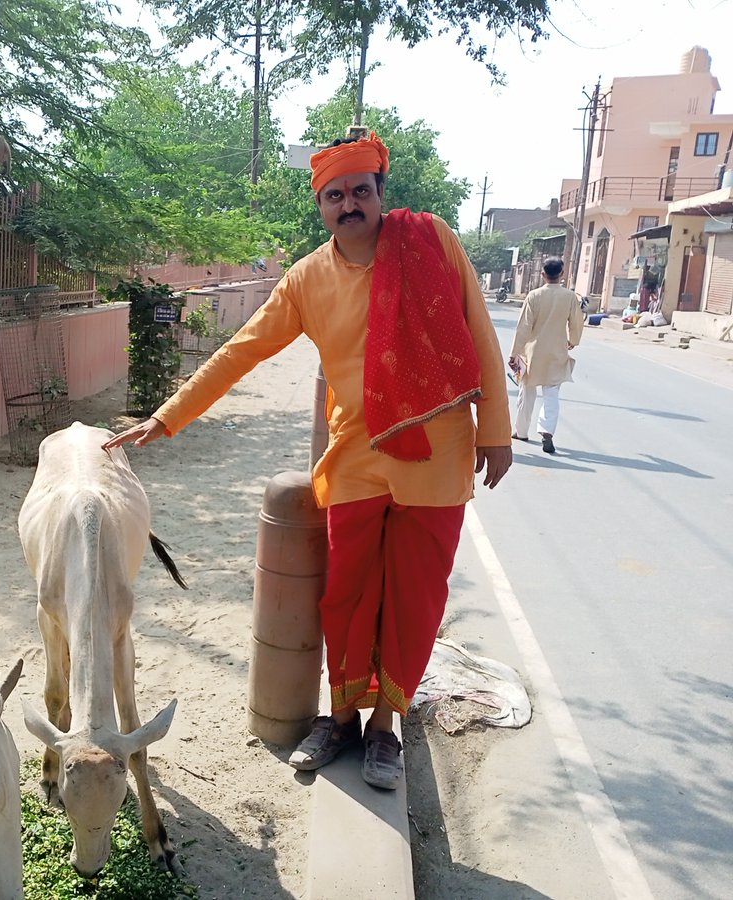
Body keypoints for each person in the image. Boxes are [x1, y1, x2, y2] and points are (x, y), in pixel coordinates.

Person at [103, 132, 512, 790]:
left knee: (415, 599)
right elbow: (241, 350)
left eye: (360, 190)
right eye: (334, 195)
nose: (348, 203)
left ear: (381, 193)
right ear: (319, 205)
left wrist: (496, 428)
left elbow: (478, 329)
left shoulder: (430, 240)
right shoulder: (307, 279)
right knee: (345, 593)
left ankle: (386, 730)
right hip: (354, 455)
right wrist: (169, 415)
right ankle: (341, 717)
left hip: (438, 455)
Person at [508, 257, 585, 455]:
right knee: (551, 395)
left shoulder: (534, 296)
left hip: (532, 353)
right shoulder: (569, 297)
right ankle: (547, 431)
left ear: (543, 274)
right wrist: (573, 340)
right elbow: (576, 323)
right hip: (557, 352)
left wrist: (514, 352)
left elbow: (523, 327)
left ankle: (521, 431)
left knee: (527, 393)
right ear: (561, 274)